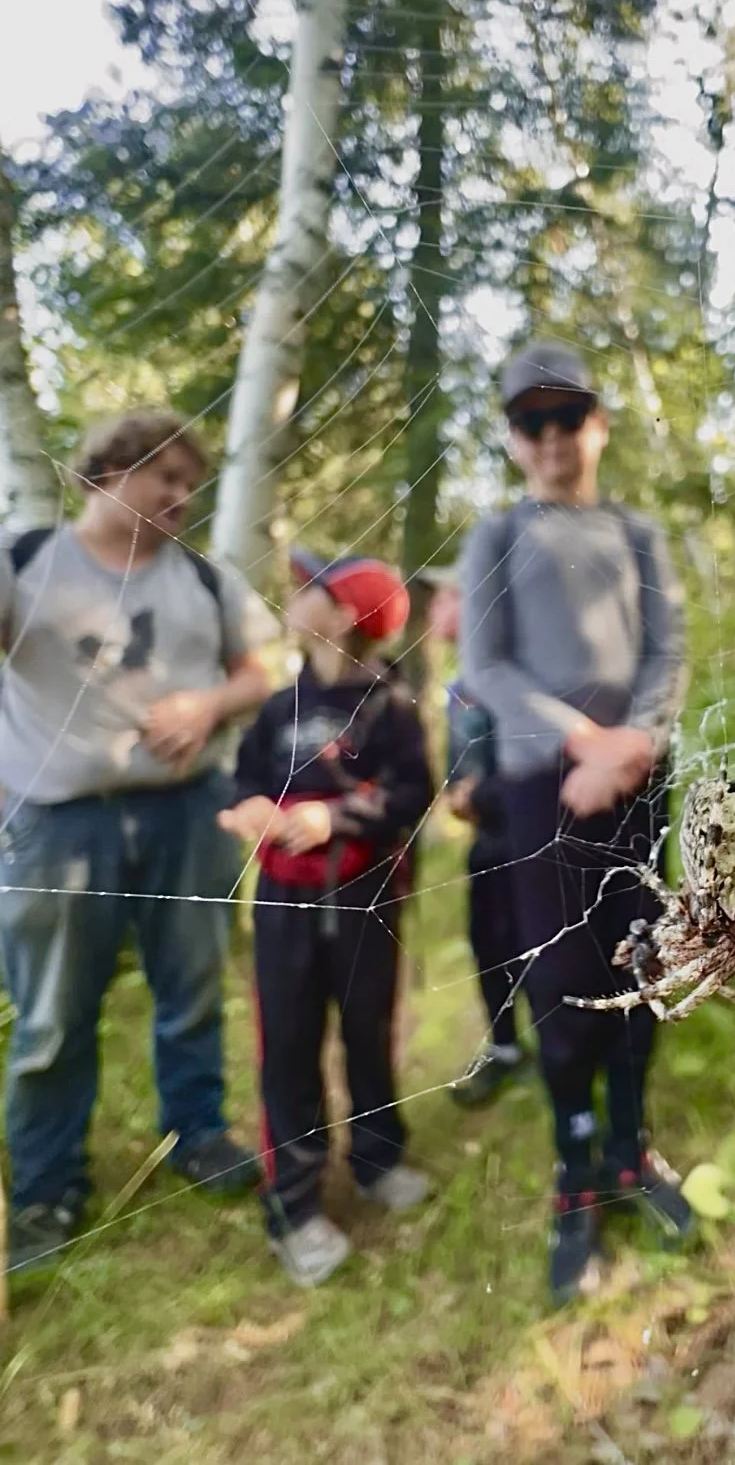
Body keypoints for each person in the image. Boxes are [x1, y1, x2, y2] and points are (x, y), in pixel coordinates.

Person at [0, 410, 272, 1273]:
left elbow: (260, 671)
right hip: (58, 822)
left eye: (191, 483)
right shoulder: (25, 561)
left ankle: (197, 1135)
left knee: (191, 985)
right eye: (165, 477)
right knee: (51, 1012)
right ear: (107, 472)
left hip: (187, 813)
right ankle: (46, 1188)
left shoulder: (202, 580)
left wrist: (205, 706)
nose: (181, 497)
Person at [460, 338, 692, 1306]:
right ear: (514, 439)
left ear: (598, 425)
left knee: (644, 957)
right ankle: (575, 1168)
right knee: (560, 976)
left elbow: (668, 645)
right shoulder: (497, 536)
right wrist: (582, 743)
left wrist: (634, 740)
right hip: (539, 783)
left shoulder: (638, 531)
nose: (552, 438)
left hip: (638, 777)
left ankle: (635, 1147)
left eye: (568, 418)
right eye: (531, 422)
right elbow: (486, 664)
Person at [218, 547, 433, 1288]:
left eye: (310, 587)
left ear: (344, 615)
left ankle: (379, 1158)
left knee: (368, 1029)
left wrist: (334, 817)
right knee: (288, 1041)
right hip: (284, 905)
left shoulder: (389, 707)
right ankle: (296, 1205)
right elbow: (247, 776)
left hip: (365, 897)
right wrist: (253, 808)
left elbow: (411, 793)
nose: (294, 593)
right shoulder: (280, 708)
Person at [423, 568, 530, 1106]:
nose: (433, 608)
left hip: (528, 844)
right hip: (486, 843)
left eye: (445, 596)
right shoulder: (460, 685)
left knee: (534, 945)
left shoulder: (513, 675)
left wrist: (478, 796)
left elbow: (532, 762)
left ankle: (568, 1050)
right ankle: (507, 1049)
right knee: (490, 945)